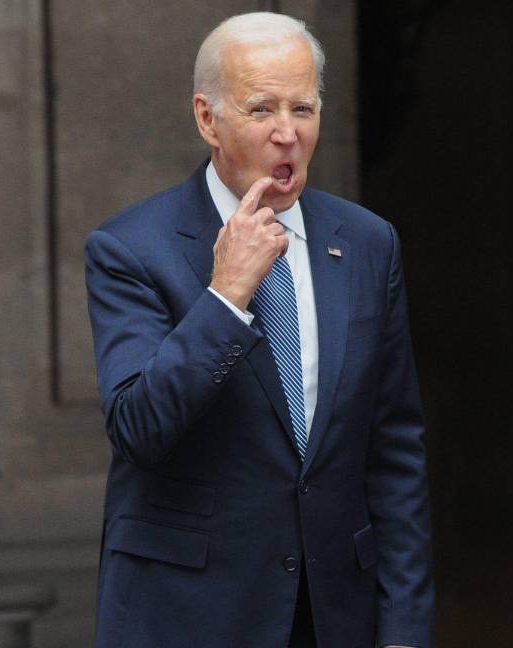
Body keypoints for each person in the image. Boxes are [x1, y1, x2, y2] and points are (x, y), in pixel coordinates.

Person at [85, 12, 431, 648]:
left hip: (332, 613)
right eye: (262, 109)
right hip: (189, 614)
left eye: (303, 108)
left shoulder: (366, 242)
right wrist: (226, 295)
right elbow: (138, 428)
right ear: (207, 119)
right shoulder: (131, 248)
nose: (287, 134)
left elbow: (394, 451)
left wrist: (404, 630)